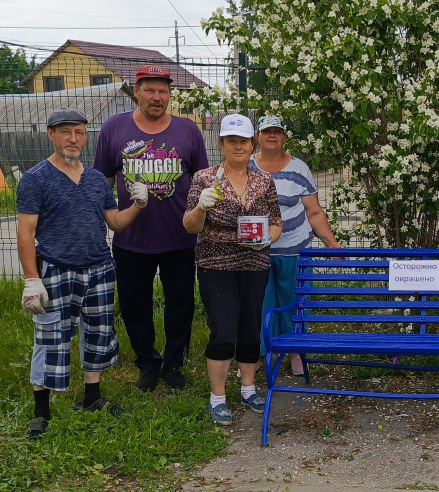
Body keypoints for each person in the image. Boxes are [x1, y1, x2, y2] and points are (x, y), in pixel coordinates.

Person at [17, 109, 148, 439]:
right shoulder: (36, 179)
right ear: (51, 135)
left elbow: (115, 222)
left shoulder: (93, 178)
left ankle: (92, 397)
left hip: (99, 269)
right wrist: (32, 279)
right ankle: (41, 411)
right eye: (65, 132)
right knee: (49, 340)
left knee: (98, 333)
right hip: (55, 271)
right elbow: (25, 232)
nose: (73, 138)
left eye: (79, 132)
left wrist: (138, 205)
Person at [94, 65, 209, 391]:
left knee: (181, 302)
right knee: (134, 304)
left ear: (169, 94)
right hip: (131, 238)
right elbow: (102, 180)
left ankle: (174, 362)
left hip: (180, 237)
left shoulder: (188, 131)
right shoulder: (114, 128)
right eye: (150, 90)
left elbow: (200, 180)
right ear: (136, 91)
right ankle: (147, 361)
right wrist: (111, 214)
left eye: (163, 91)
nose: (157, 97)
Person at [183, 113, 283, 425]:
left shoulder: (264, 181)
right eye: (231, 140)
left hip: (255, 263)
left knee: (250, 329)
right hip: (217, 266)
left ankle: (248, 388)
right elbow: (189, 226)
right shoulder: (204, 179)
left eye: (243, 140)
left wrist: (265, 239)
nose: (237, 146)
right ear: (221, 144)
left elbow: (277, 223)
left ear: (253, 143)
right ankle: (217, 397)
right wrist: (201, 205)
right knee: (223, 330)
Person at [248, 115, 343, 376]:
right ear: (257, 136)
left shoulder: (299, 168)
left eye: (277, 132)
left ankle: (296, 352)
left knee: (295, 303)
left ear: (285, 138)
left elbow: (313, 211)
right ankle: (255, 356)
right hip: (257, 252)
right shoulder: (246, 166)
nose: (272, 136)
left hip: (295, 250)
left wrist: (332, 243)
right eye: (266, 131)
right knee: (259, 305)